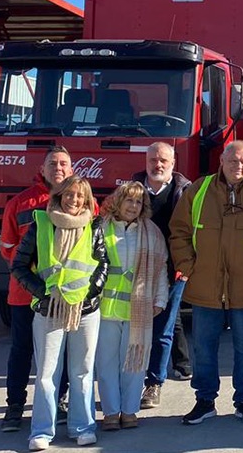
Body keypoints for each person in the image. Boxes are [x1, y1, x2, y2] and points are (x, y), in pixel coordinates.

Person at [169, 140, 243, 426]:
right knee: (203, 347)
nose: (238, 166)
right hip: (205, 285)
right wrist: (189, 266)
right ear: (221, 161)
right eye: (233, 161)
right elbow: (179, 231)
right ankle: (205, 401)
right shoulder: (199, 189)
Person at [10, 176, 108, 451]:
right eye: (69, 194)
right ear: (59, 196)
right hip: (49, 310)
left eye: (80, 196)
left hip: (85, 311)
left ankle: (83, 427)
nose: (74, 200)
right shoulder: (41, 224)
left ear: (87, 201)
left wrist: (87, 294)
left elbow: (103, 264)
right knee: (46, 373)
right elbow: (19, 266)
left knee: (82, 371)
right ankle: (42, 431)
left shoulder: (94, 227)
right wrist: (44, 293)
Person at [0, 146, 74, 432]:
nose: (58, 168)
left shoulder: (81, 201)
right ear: (42, 169)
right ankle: (15, 405)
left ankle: (60, 400)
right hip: (24, 294)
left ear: (71, 169)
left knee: (63, 352)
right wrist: (33, 279)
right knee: (22, 350)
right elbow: (8, 248)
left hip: (64, 295)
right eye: (52, 163)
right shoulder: (20, 203)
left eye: (64, 163)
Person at [94, 181, 169, 431]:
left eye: (139, 202)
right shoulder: (100, 228)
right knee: (106, 365)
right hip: (105, 309)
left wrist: (160, 300)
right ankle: (111, 413)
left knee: (135, 364)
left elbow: (160, 270)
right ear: (118, 201)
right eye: (129, 200)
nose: (133, 206)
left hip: (138, 310)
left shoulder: (152, 232)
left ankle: (129, 411)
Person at [132, 142, 195, 410]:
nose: (157, 165)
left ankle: (154, 383)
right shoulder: (132, 190)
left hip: (173, 271)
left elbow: (195, 229)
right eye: (153, 160)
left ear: (173, 163)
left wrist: (187, 263)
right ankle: (132, 380)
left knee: (163, 329)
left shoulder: (186, 192)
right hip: (136, 269)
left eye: (163, 160)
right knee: (136, 328)